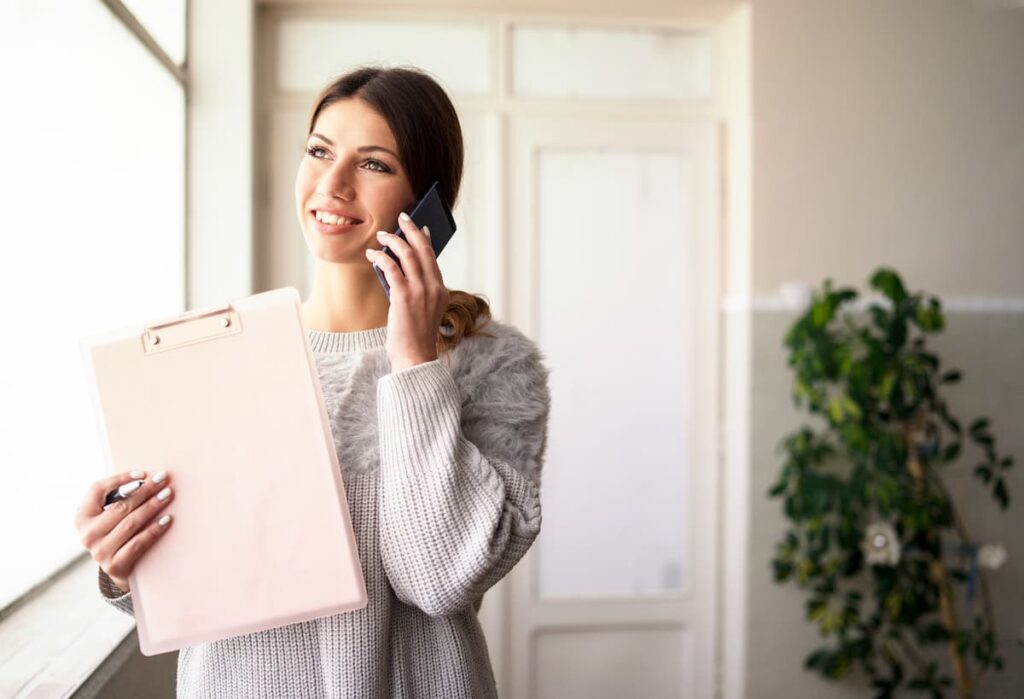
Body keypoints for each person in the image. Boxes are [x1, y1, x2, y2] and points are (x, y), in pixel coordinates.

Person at [74, 65, 551, 698]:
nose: (332, 184)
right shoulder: (222, 354)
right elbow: (205, 585)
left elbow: (438, 578)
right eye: (320, 151)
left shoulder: (492, 364)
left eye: (374, 164)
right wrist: (123, 565)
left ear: (429, 203)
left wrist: (414, 362)